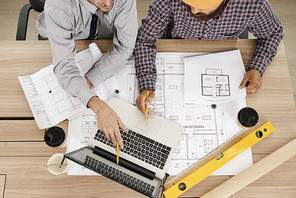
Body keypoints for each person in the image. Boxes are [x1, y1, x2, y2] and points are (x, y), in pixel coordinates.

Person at [134, 0, 284, 116]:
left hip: (224, 54)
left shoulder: (252, 3)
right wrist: (147, 85)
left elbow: (273, 33)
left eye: (202, 4)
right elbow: (145, 39)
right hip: (177, 46)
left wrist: (257, 67)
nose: (193, 10)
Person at [36, 0, 138, 149]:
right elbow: (64, 67)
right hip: (63, 36)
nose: (108, 3)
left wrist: (91, 78)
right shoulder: (58, 6)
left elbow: (125, 47)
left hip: (102, 38)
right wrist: (97, 104)